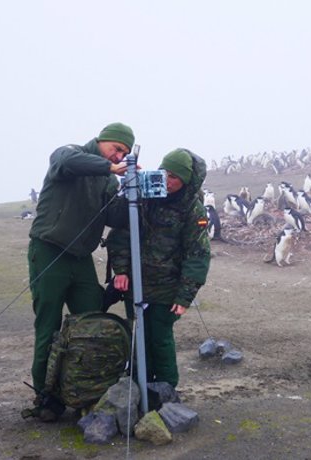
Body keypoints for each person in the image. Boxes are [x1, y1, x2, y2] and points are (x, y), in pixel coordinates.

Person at [26, 122, 134, 420]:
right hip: (49, 251)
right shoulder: (70, 154)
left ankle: (87, 390)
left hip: (80, 258)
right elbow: (66, 163)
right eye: (117, 149)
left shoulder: (108, 180)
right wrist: (111, 169)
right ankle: (46, 397)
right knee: (48, 325)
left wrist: (133, 193)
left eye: (124, 152)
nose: (118, 155)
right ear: (103, 140)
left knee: (93, 318)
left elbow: (115, 216)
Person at [105, 148, 211, 390]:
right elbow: (120, 234)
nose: (168, 180)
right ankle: (137, 386)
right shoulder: (143, 196)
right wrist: (121, 271)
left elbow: (198, 254)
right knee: (137, 337)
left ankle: (165, 390)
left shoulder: (193, 209)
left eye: (175, 176)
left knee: (160, 338)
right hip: (136, 282)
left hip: (167, 287)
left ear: (186, 180)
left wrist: (185, 296)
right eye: (165, 172)